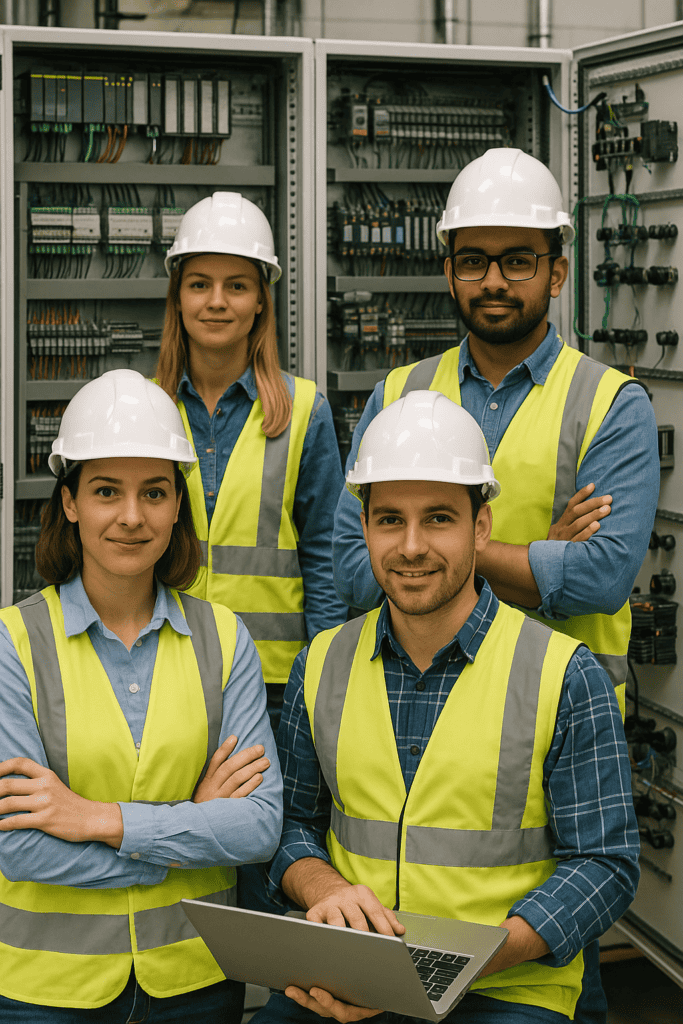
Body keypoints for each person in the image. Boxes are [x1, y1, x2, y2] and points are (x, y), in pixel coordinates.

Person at [252, 391, 639, 1024]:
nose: (410, 547)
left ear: (479, 526)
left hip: (505, 988)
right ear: (365, 525)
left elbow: (605, 864)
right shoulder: (319, 663)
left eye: (437, 518)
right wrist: (324, 892)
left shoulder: (563, 674)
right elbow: (290, 825)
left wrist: (455, 965)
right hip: (350, 978)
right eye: (388, 520)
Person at [333, 148, 659, 713]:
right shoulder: (398, 394)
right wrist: (540, 558)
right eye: (473, 261)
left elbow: (601, 580)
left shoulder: (612, 405)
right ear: (449, 272)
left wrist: (427, 557)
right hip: (413, 697)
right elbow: (354, 570)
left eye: (517, 261)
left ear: (556, 273)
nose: (493, 281)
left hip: (561, 710)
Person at [0, 369, 282, 1021]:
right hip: (46, 994)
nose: (132, 516)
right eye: (106, 492)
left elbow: (259, 825)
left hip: (194, 982)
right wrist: (188, 831)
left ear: (177, 505)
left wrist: (97, 818)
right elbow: (18, 845)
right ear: (69, 501)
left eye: (154, 492)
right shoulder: (13, 645)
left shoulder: (223, 638)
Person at [157, 191, 347, 730]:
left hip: (278, 683)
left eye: (236, 286)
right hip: (165, 666)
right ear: (178, 297)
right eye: (200, 284)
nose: (217, 302)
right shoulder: (143, 411)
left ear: (261, 300)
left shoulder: (304, 410)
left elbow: (324, 557)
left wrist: (324, 672)